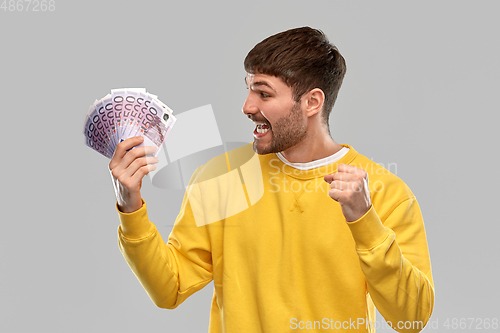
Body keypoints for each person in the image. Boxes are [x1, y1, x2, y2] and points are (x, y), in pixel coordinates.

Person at [109, 27, 434, 332]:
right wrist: (130, 205)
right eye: (249, 89)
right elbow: (170, 289)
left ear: (312, 102)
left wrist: (365, 222)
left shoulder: (384, 191)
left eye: (264, 94)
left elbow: (413, 317)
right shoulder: (220, 178)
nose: (247, 106)